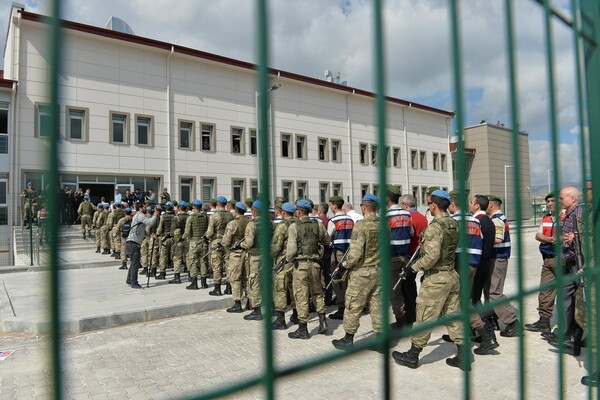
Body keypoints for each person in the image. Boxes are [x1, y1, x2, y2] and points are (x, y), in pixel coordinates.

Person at [392, 189, 470, 370]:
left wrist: (413, 268)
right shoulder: (454, 223)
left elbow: (432, 256)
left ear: (433, 205)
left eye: (429, 204)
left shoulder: (435, 227)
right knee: (454, 316)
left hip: (436, 279)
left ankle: (412, 356)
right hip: (451, 275)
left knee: (424, 317)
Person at [446, 190, 499, 355]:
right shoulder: (474, 221)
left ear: (452, 205)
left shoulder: (453, 221)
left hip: (459, 265)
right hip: (473, 264)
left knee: (462, 302)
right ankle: (466, 333)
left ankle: (486, 337)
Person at [332, 194, 382, 349]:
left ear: (364, 207)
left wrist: (343, 266)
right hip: (379, 270)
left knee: (353, 305)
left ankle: (348, 338)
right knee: (377, 305)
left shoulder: (361, 225)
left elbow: (355, 254)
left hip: (362, 272)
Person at [544, 187, 584, 347]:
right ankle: (566, 333)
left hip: (576, 263)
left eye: (562, 198)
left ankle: (575, 334)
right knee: (566, 298)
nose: (559, 201)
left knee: (578, 300)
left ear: (572, 199)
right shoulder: (568, 214)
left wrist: (576, 238)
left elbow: (581, 241)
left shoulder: (579, 214)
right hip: (568, 261)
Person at [286, 199, 330, 339]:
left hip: (301, 266)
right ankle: (323, 322)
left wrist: (288, 259)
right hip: (315, 264)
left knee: (301, 295)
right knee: (317, 293)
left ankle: (303, 329)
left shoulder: (294, 227)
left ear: (298, 211)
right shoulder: (318, 225)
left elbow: (291, 250)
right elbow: (327, 240)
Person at [485, 195, 520, 337]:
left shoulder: (497, 219)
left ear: (491, 205)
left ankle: (512, 322)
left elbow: (498, 239)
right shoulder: (495, 219)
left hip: (498, 259)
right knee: (489, 291)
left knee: (495, 293)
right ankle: (492, 319)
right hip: (494, 258)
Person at [525, 193, 558, 334]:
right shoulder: (546, 218)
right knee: (545, 292)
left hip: (564, 259)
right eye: (548, 201)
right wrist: (550, 239)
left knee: (570, 295)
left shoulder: (567, 217)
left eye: (553, 201)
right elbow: (538, 235)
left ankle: (573, 327)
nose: (550, 203)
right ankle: (544, 322)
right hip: (548, 259)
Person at [386, 185, 413, 330]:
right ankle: (409, 316)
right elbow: (412, 232)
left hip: (392, 257)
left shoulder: (386, 215)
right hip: (406, 256)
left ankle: (400, 320)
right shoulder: (407, 214)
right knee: (405, 288)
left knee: (394, 291)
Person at [240, 200, 272, 320]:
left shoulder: (252, 224)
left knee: (254, 282)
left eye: (252, 210)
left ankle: (257, 310)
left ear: (254, 211)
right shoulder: (269, 223)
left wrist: (241, 245)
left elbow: (249, 243)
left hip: (255, 256)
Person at [400, 193, 428, 325]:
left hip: (410, 254)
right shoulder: (423, 218)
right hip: (420, 254)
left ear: (405, 205)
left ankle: (410, 317)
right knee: (412, 285)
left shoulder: (408, 217)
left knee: (407, 287)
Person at [271, 202, 298, 328]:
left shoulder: (282, 226)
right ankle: (296, 315)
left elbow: (276, 246)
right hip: (296, 261)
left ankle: (280, 319)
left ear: (283, 213)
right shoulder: (298, 223)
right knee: (294, 289)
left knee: (280, 289)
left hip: (283, 261)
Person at [327, 195, 354, 320]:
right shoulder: (350, 219)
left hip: (337, 254)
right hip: (349, 253)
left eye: (331, 204)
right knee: (347, 280)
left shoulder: (333, 221)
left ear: (333, 205)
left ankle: (341, 307)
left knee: (337, 281)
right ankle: (349, 305)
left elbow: (327, 238)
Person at [223, 202, 251, 309]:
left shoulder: (233, 223)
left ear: (235, 210)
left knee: (235, 278)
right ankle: (250, 302)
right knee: (247, 278)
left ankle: (237, 303)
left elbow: (226, 241)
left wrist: (229, 248)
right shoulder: (250, 222)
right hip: (248, 252)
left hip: (236, 254)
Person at [205, 196, 234, 295]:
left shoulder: (215, 216)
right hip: (228, 243)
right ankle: (229, 287)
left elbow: (210, 232)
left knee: (216, 265)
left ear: (217, 204)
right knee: (228, 265)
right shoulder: (231, 215)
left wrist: (205, 237)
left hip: (216, 242)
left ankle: (217, 288)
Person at [125, 205, 159, 289]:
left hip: (132, 242)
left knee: (133, 263)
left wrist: (150, 235)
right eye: (144, 207)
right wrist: (155, 215)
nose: (146, 209)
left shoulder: (138, 217)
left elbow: (143, 231)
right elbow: (150, 222)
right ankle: (134, 282)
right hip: (133, 243)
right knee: (135, 264)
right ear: (140, 208)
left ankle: (129, 279)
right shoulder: (140, 215)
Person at [182, 200, 209, 288]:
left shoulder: (191, 217)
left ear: (193, 207)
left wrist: (182, 238)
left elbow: (187, 232)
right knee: (203, 261)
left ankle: (194, 283)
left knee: (193, 262)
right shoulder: (206, 217)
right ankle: (204, 282)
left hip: (194, 242)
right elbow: (208, 230)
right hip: (203, 242)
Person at [156, 202, 176, 281]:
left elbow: (160, 229)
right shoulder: (175, 217)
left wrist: (157, 234)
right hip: (173, 238)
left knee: (163, 256)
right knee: (174, 255)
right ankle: (176, 272)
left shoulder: (162, 217)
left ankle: (162, 273)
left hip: (164, 239)